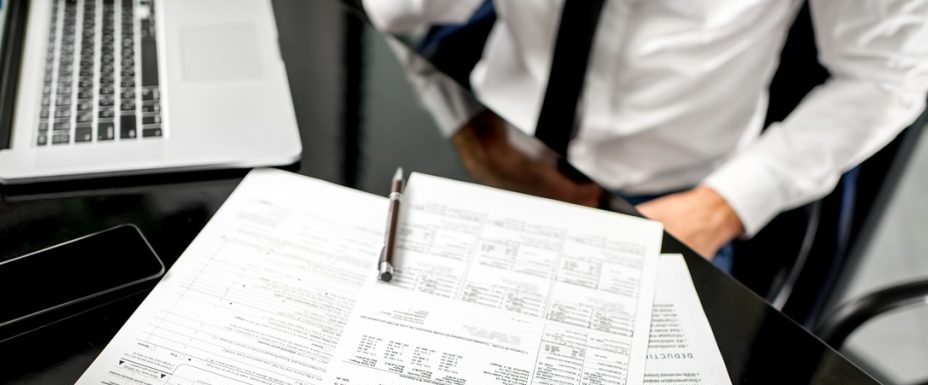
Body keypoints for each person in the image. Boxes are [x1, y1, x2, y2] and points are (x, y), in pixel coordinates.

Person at [364, 0, 928, 263]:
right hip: (492, 147)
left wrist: (719, 209)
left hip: (669, 203)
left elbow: (888, 74)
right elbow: (397, 9)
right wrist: (461, 123)